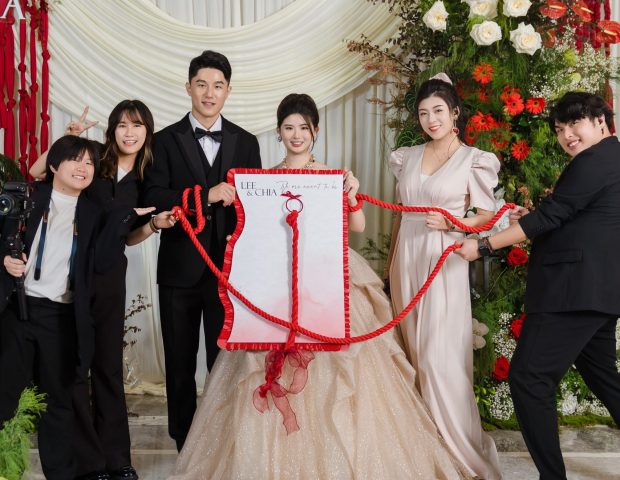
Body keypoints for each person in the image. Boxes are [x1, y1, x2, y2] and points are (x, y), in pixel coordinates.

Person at [169, 93, 472, 480]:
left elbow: (357, 227)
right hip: (278, 280)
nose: (296, 135)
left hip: (329, 273)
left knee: (345, 369)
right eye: (288, 128)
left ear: (315, 131)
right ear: (279, 132)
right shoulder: (263, 179)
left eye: (303, 128)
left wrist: (351, 194)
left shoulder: (334, 176)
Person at [455, 91, 620, 480]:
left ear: (600, 120)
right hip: (596, 290)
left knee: (529, 378)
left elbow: (553, 217)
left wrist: (483, 245)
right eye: (560, 129)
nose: (567, 135)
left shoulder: (595, 160)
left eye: (574, 124)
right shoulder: (610, 158)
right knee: (601, 375)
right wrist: (533, 216)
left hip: (572, 291)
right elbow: (574, 218)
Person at [29, 102, 177, 480]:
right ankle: (89, 462)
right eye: (122, 125)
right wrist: (66, 139)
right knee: (77, 369)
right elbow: (37, 173)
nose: (130, 132)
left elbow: (128, 237)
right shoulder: (91, 158)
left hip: (110, 277)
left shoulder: (147, 178)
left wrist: (154, 225)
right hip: (72, 274)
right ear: (111, 130)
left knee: (108, 368)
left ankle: (117, 460)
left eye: (137, 126)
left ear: (147, 132)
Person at [142, 50, 262, 451]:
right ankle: (184, 446)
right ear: (188, 87)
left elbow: (255, 205)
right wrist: (205, 196)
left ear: (228, 91)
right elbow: (153, 195)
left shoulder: (247, 142)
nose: (210, 93)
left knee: (223, 363)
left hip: (228, 273)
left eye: (218, 86)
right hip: (179, 270)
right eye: (202, 84)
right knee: (178, 364)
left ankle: (221, 443)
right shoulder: (163, 141)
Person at [387, 74, 502, 479]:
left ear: (455, 114)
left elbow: (486, 215)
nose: (431, 119)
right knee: (411, 357)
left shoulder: (474, 159)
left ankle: (458, 453)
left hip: (444, 259)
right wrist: (389, 266)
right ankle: (421, 453)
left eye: (438, 111)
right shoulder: (406, 157)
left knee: (440, 359)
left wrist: (454, 222)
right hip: (407, 260)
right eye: (423, 113)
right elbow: (400, 216)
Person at [0, 136, 102, 480]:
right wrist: (4, 260)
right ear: (54, 165)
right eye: (75, 159)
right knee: (3, 393)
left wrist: (152, 223)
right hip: (18, 309)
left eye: (89, 162)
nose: (83, 167)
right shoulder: (27, 197)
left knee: (57, 403)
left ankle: (61, 475)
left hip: (62, 318)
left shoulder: (94, 211)